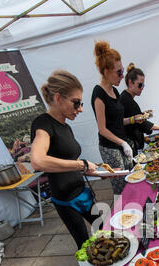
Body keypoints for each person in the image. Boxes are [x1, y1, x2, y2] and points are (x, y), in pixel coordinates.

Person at [30, 70, 108, 249]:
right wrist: (81, 165)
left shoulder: (66, 126)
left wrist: (89, 169)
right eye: (76, 103)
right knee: (85, 247)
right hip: (66, 202)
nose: (80, 108)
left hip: (82, 193)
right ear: (58, 98)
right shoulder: (42, 124)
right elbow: (38, 161)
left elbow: (69, 160)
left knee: (106, 231)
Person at [92, 41, 141, 194]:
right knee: (121, 188)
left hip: (122, 145)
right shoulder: (98, 94)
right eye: (119, 72)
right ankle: (121, 214)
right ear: (106, 71)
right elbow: (102, 129)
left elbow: (117, 121)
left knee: (132, 180)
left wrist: (133, 119)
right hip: (111, 149)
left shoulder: (115, 91)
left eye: (122, 71)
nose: (122, 76)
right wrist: (122, 143)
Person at [119, 63, 159, 156]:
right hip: (130, 145)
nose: (142, 88)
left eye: (143, 85)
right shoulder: (127, 100)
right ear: (130, 82)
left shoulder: (126, 97)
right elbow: (143, 125)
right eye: (140, 85)